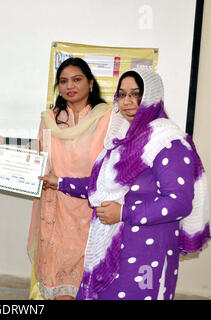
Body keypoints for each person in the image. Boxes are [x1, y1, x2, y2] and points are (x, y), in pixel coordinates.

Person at [40, 68, 211, 300]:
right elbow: (100, 186)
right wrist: (59, 182)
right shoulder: (122, 141)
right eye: (122, 94)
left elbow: (179, 203)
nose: (128, 101)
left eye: (136, 94)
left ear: (152, 96)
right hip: (112, 248)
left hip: (147, 253)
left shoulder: (169, 142)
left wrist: (123, 212)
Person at [27, 57, 112, 300]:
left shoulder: (106, 118)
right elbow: (39, 159)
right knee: (58, 285)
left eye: (77, 79)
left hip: (90, 210)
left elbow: (110, 168)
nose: (69, 86)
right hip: (55, 208)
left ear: (91, 83)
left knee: (85, 283)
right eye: (63, 81)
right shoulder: (50, 119)